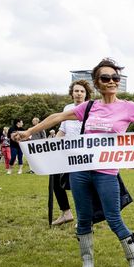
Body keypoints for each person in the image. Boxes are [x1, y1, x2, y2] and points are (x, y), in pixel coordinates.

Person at [14, 58, 134, 267]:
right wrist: (30, 131)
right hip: (80, 170)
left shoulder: (128, 107)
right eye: (106, 78)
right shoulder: (89, 107)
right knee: (83, 219)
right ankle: (87, 263)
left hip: (107, 172)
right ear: (97, 83)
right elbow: (58, 117)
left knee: (114, 218)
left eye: (116, 78)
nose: (112, 81)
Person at [51, 80, 93, 226]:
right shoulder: (67, 108)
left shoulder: (91, 108)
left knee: (80, 185)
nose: (79, 93)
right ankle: (66, 212)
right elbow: (62, 129)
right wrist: (51, 145)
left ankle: (85, 217)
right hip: (66, 151)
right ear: (72, 93)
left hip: (83, 152)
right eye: (76, 91)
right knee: (56, 179)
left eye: (82, 91)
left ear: (86, 94)